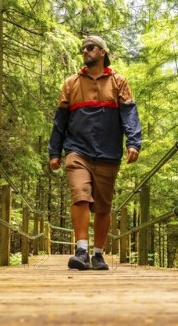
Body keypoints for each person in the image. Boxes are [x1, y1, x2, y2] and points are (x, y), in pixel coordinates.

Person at [48, 35, 142, 270]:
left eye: (90, 48)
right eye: (83, 49)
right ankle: (81, 250)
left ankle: (98, 254)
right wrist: (54, 151)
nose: (85, 51)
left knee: (102, 206)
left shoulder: (119, 82)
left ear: (102, 52)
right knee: (80, 195)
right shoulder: (71, 83)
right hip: (77, 150)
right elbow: (60, 121)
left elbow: (129, 114)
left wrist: (133, 142)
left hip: (108, 152)